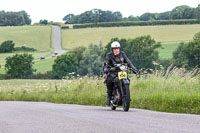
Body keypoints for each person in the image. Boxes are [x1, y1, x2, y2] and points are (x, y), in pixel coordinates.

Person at [103, 41, 138, 105]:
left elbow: (128, 62)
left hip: (121, 71)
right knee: (109, 80)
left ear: (119, 49)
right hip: (113, 72)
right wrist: (106, 69)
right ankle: (109, 96)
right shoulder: (109, 55)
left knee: (127, 79)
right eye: (114, 49)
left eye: (117, 49)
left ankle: (126, 95)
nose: (116, 50)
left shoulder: (122, 54)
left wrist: (134, 68)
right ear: (112, 49)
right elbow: (106, 63)